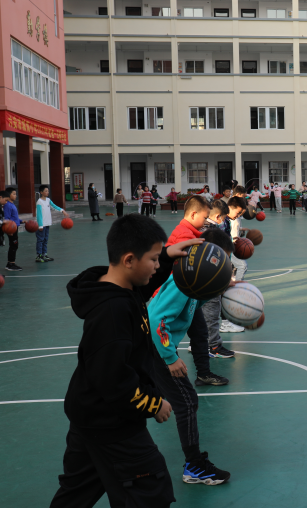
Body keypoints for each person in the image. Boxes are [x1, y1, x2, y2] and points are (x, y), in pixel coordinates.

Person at [49, 215, 200, 507]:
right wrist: (155, 403)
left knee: (75, 494)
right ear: (130, 260)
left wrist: (167, 255)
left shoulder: (117, 287)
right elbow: (114, 381)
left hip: (89, 415)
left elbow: (145, 284)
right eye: (154, 259)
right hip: (112, 421)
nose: (157, 266)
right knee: (149, 490)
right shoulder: (112, 312)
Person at [146, 228, 233, 487]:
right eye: (223, 264)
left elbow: (198, 303)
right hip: (154, 349)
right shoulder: (182, 283)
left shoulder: (193, 281)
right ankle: (194, 466)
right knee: (187, 401)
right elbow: (155, 320)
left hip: (150, 348)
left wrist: (228, 288)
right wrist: (170, 357)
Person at [167, 195, 229, 386]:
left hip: (188, 294)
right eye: (204, 217)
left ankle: (203, 373)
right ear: (193, 214)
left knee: (200, 333)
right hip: (175, 295)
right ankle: (168, 371)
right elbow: (198, 272)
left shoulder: (192, 233)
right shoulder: (186, 236)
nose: (206, 221)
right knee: (171, 335)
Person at [204, 199, 244, 341]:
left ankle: (204, 342)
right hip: (212, 274)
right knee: (210, 311)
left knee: (208, 312)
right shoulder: (211, 230)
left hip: (216, 270)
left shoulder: (216, 225)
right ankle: (210, 343)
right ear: (218, 216)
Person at [34, 184, 69, 263]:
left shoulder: (48, 200)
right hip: (41, 225)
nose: (47, 192)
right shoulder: (39, 202)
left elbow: (54, 206)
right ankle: (39, 256)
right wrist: (40, 225)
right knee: (40, 240)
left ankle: (44, 254)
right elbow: (39, 215)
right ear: (41, 192)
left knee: (45, 240)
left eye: (48, 191)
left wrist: (62, 210)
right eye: (46, 191)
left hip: (47, 224)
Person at [227, 192, 250, 281]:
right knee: (242, 266)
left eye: (241, 213)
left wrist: (241, 228)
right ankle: (237, 284)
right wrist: (232, 240)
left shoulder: (231, 219)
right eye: (239, 212)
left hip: (232, 245)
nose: (239, 215)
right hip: (230, 246)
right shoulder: (227, 220)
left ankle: (233, 280)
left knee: (234, 267)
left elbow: (233, 228)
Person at [3, 187, 23, 271]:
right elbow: (6, 219)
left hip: (15, 227)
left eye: (16, 194)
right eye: (14, 194)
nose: (16, 195)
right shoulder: (7, 205)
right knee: (13, 245)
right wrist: (8, 231)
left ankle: (11, 263)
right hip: (11, 229)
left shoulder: (12, 204)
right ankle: (10, 264)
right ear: (8, 195)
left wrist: (21, 221)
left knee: (14, 245)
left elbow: (14, 217)